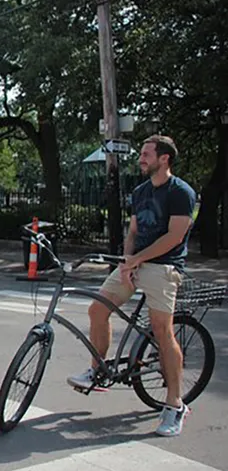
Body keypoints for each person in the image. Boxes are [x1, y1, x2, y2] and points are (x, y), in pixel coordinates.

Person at [67, 135, 196, 437]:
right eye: (141, 153)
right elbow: (134, 230)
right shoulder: (140, 191)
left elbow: (175, 236)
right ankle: (98, 368)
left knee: (162, 331)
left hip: (164, 267)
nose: (141, 158)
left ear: (164, 158)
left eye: (147, 154)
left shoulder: (181, 192)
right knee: (97, 310)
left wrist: (136, 259)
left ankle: (175, 404)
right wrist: (127, 261)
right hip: (135, 263)